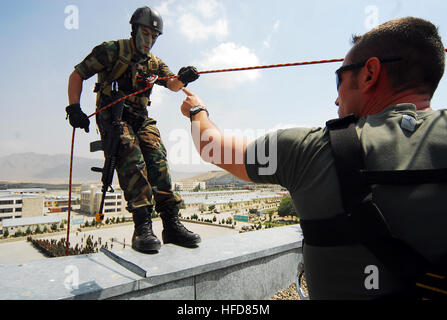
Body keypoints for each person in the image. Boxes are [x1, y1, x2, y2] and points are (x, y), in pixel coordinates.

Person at [179, 17, 447, 299]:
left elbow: (213, 147)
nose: (335, 99)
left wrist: (197, 110)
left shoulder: (306, 150)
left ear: (369, 73)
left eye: (339, 78)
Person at [66, 6, 201, 253]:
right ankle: (142, 227)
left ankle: (171, 223)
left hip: (139, 116)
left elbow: (171, 83)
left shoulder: (154, 63)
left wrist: (184, 78)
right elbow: (78, 74)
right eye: (145, 33)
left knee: (157, 156)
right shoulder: (112, 51)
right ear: (134, 30)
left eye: (154, 36)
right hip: (113, 116)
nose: (149, 40)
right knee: (130, 154)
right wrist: (74, 107)